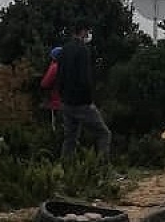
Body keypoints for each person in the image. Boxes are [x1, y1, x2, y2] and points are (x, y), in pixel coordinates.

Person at [58, 22, 112, 160]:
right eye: (87, 31)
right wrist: (88, 100)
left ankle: (65, 170)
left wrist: (62, 96)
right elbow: (84, 79)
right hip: (81, 103)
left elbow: (60, 75)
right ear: (82, 32)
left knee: (70, 138)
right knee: (103, 133)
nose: (88, 34)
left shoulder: (65, 49)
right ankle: (102, 169)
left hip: (66, 101)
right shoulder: (83, 50)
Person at [40, 46, 63, 128]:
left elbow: (45, 84)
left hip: (57, 102)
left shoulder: (55, 67)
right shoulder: (71, 66)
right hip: (72, 102)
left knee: (57, 127)